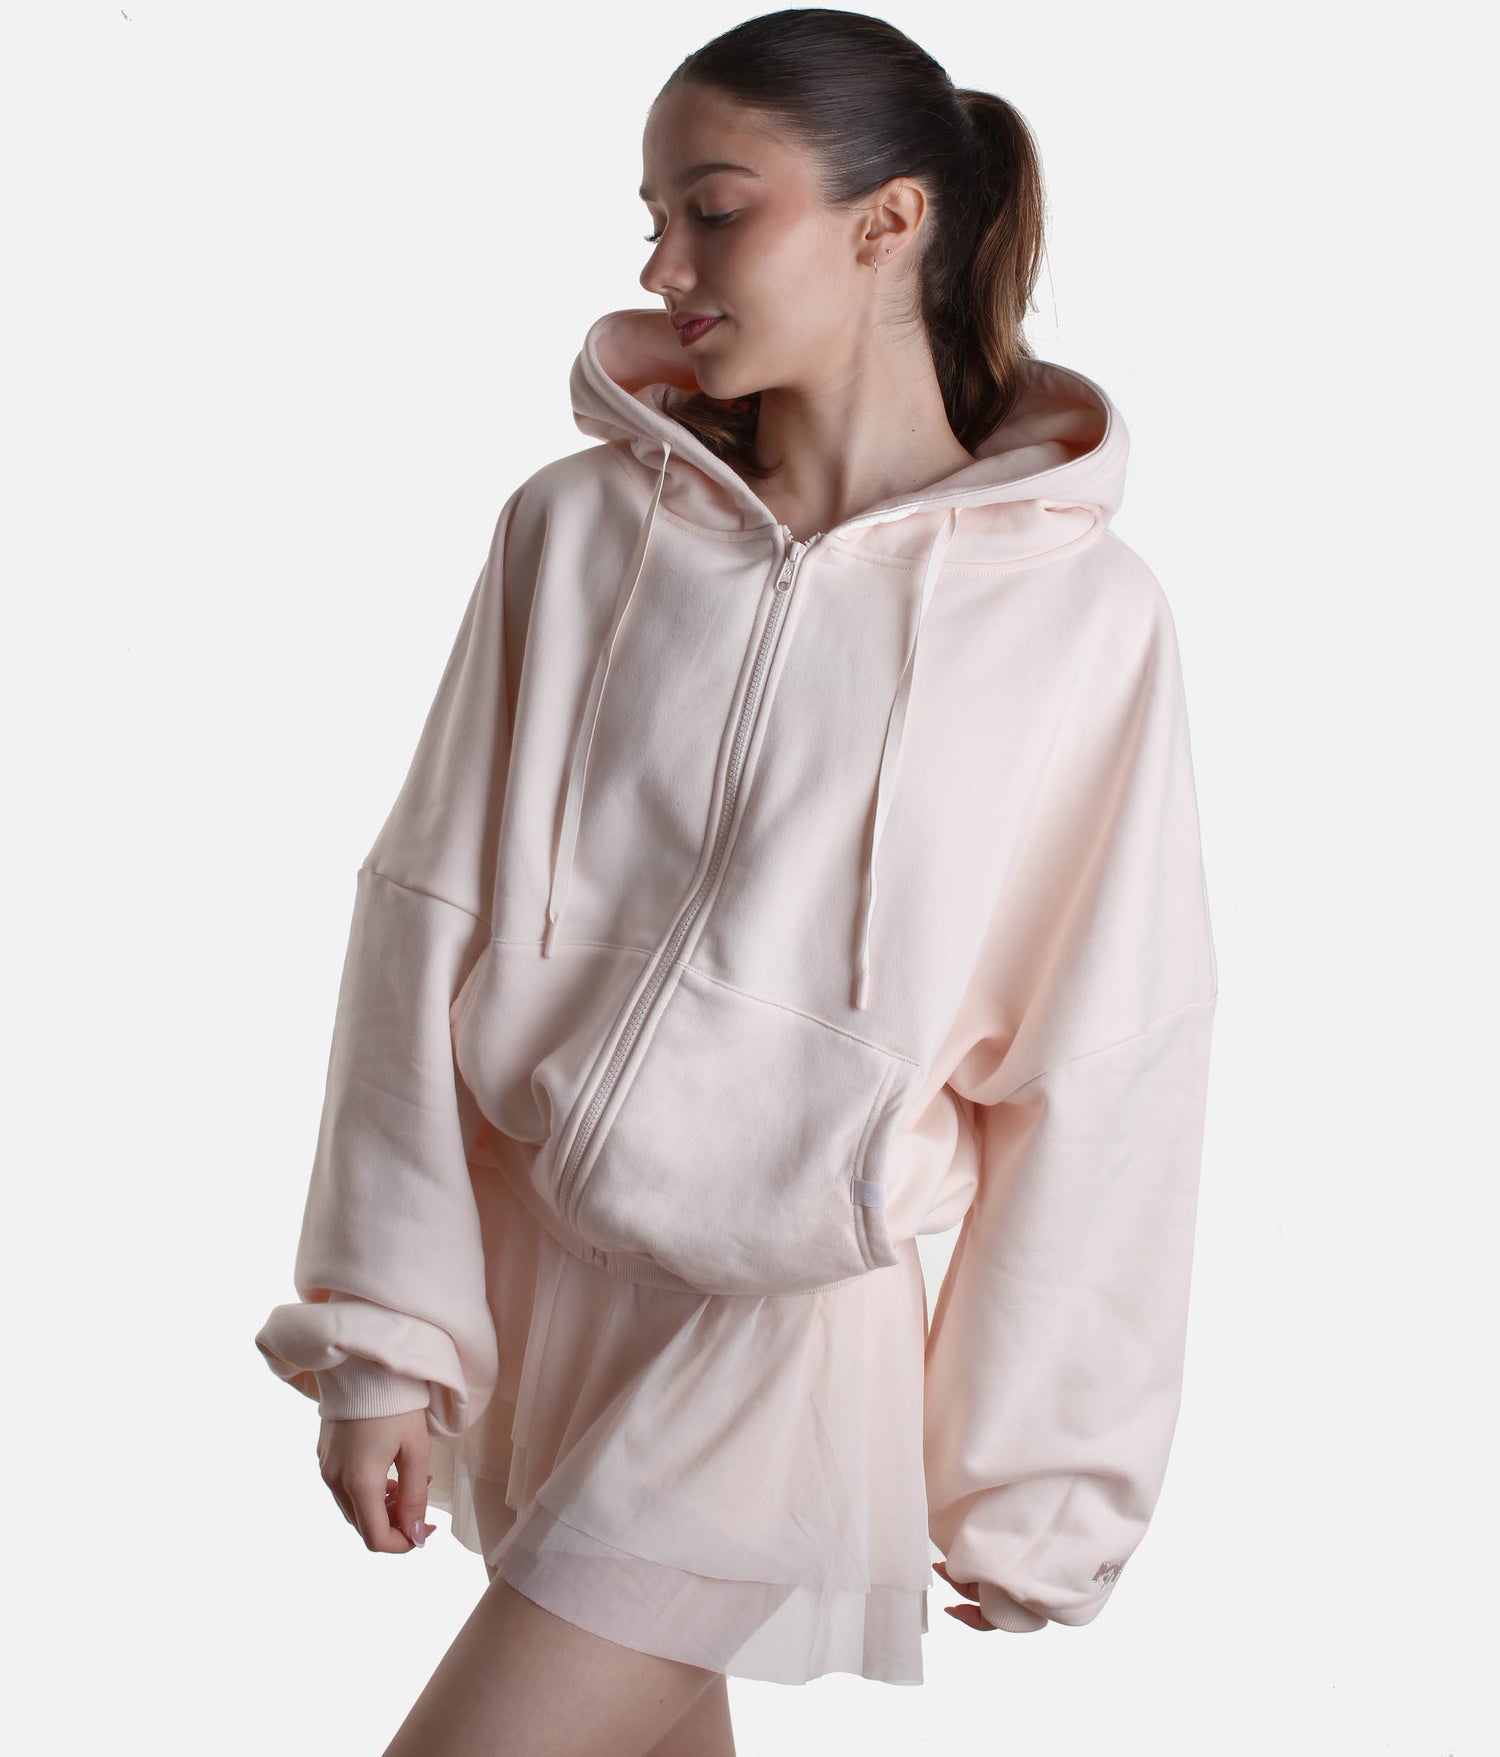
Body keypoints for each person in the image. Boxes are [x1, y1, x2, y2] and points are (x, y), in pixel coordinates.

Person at [254, 10, 1219, 1755]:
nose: (662, 265)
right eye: (652, 217)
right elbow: (423, 917)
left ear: (890, 220)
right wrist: (386, 1321)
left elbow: (1109, 1050)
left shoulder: (1083, 617)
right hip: (557, 1284)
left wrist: (1043, 1474)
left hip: (780, 1330)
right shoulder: (574, 530)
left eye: (713, 208)